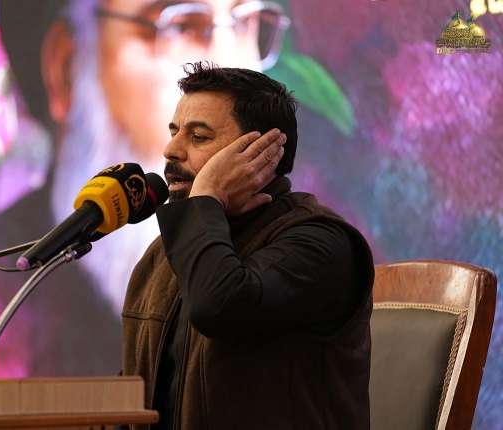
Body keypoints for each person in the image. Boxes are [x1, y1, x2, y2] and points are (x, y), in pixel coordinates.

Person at [0, 0, 291, 378]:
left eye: (246, 23)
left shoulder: (304, 240)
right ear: (66, 68)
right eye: (181, 26)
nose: (232, 65)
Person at [120, 62, 374, 429]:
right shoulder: (163, 254)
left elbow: (218, 306)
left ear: (261, 154)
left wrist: (207, 195)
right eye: (173, 133)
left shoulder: (321, 243)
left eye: (199, 137)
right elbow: (133, 400)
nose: (170, 150)